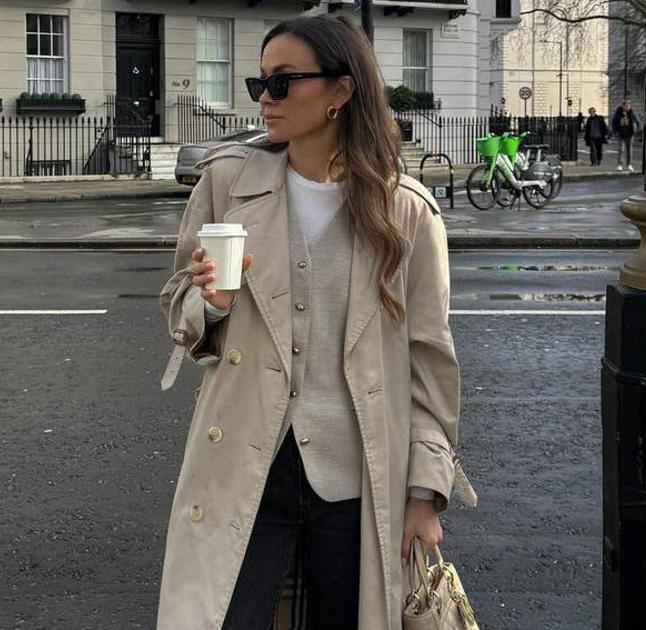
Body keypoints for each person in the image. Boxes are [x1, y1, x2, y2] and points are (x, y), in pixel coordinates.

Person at [156, 15, 475, 630]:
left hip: (356, 473)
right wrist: (211, 303)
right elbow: (179, 305)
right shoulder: (227, 182)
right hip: (248, 458)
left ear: (341, 90)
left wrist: (425, 494)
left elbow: (430, 363)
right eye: (260, 83)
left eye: (283, 82)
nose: (265, 98)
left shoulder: (406, 212)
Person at [611, 100, 640, 172]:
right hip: (621, 134)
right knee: (621, 149)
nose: (628, 107)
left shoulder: (632, 113)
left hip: (630, 134)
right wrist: (615, 132)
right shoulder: (618, 113)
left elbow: (638, 122)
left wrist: (636, 131)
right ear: (623, 106)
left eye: (629, 106)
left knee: (629, 150)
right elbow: (614, 123)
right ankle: (620, 165)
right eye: (626, 106)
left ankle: (629, 164)